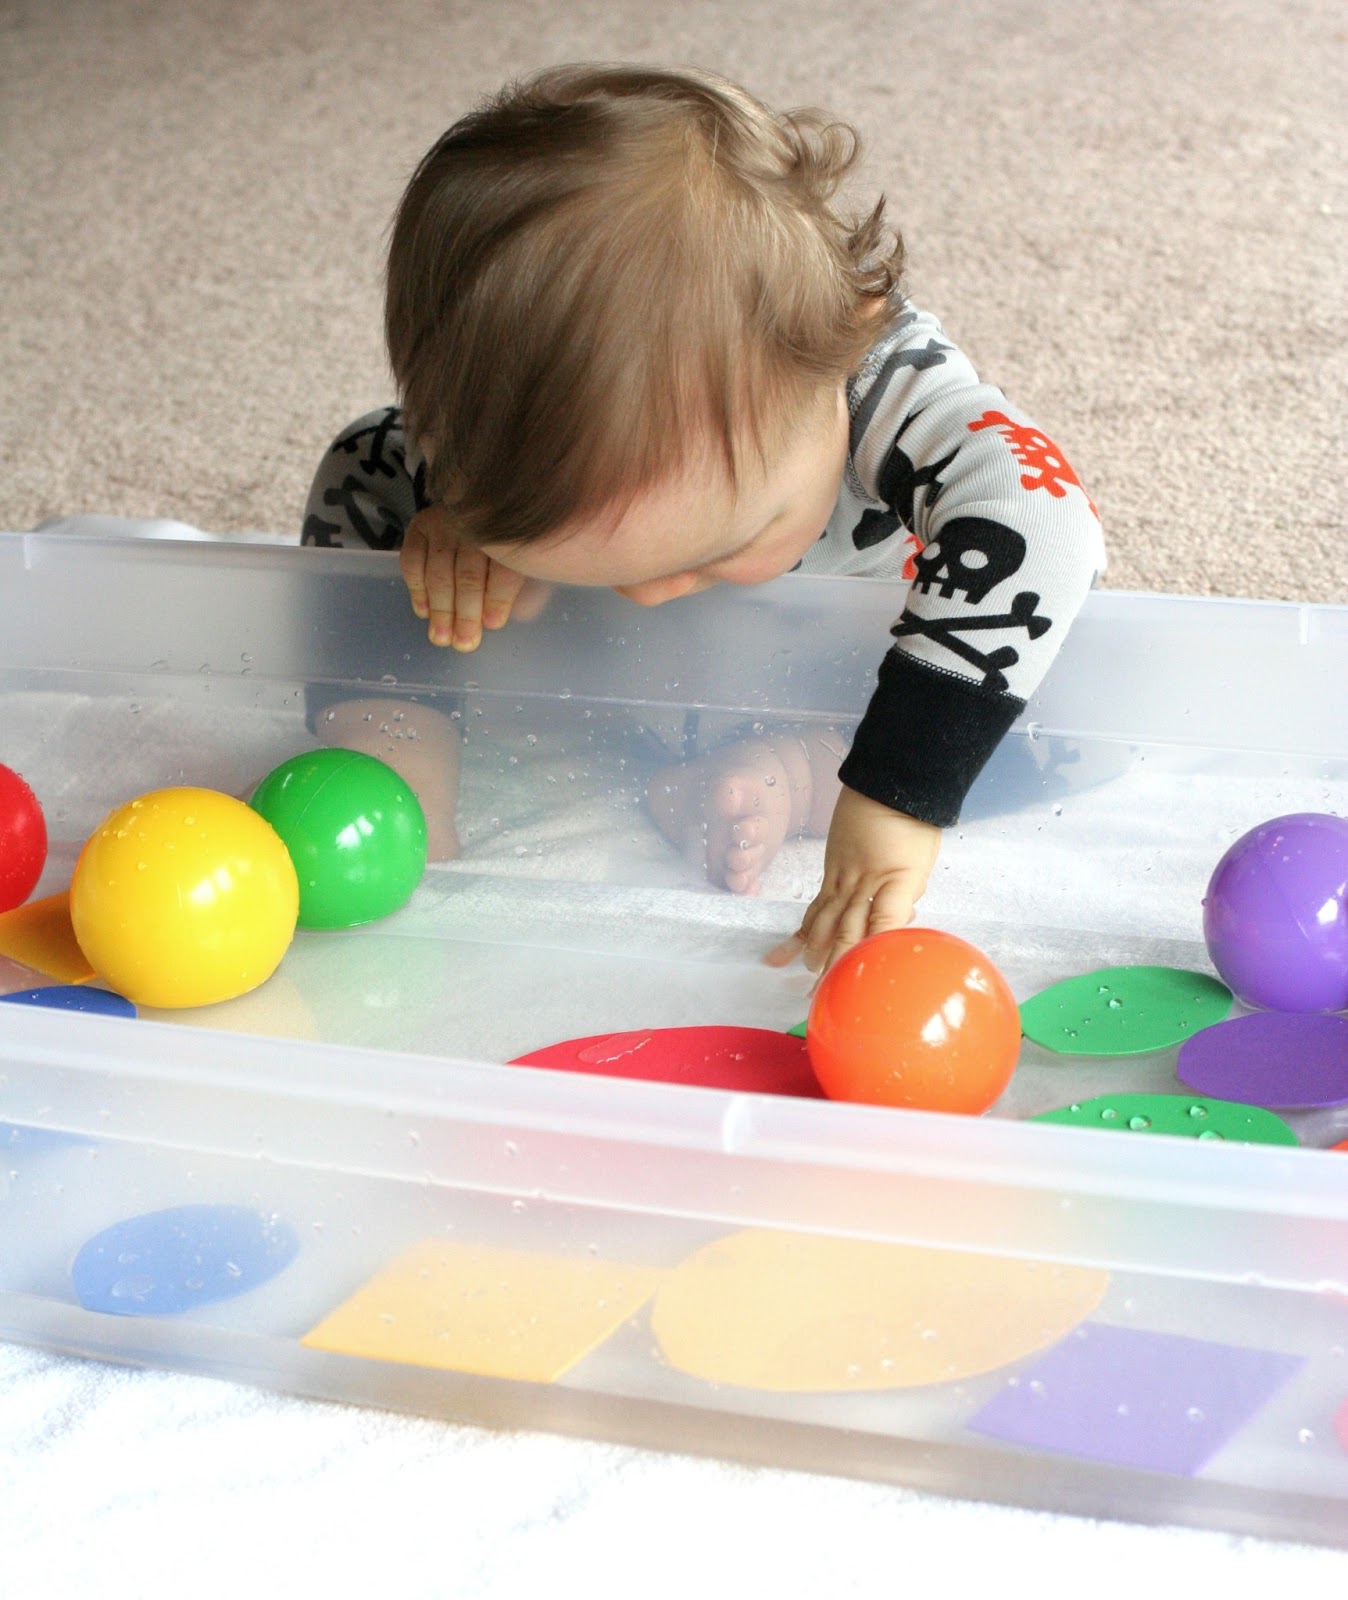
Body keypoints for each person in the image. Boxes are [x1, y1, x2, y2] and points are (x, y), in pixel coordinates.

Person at [302, 63, 1105, 974]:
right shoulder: (483, 446)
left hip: (841, 692)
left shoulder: (886, 382)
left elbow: (1046, 525)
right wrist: (461, 524)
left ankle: (798, 779)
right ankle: (397, 754)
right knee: (368, 473)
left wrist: (895, 793)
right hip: (610, 689)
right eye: (603, 567)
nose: (649, 597)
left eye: (717, 549)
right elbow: (399, 473)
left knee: (1056, 728)